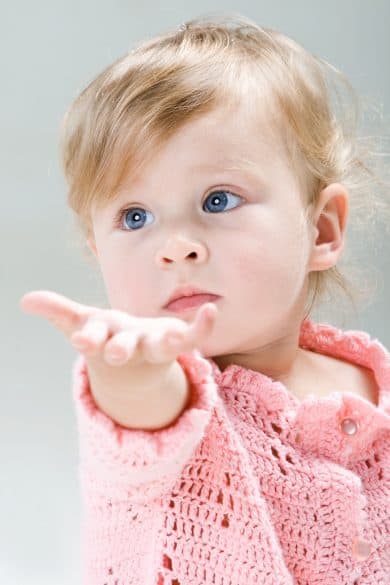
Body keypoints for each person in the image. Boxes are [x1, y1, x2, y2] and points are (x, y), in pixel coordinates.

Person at [20, 13, 390, 585]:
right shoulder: (167, 400)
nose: (176, 247)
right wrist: (128, 367)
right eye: (135, 217)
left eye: (219, 201)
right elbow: (145, 413)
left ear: (320, 230)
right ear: (99, 250)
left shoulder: (372, 388)